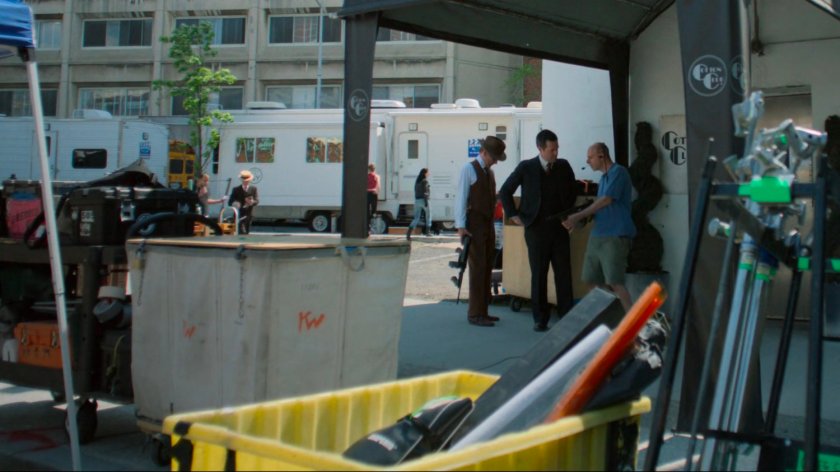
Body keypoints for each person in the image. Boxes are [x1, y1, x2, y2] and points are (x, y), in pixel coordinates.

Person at [500, 129, 578, 332]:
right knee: (539, 274)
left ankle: (567, 316)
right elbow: (505, 190)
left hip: (560, 228)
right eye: (552, 149)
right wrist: (514, 214)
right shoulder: (527, 167)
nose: (555, 153)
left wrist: (568, 215)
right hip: (536, 229)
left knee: (563, 273)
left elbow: (573, 191)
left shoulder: (563, 166)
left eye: (557, 148)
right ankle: (540, 318)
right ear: (540, 148)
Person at [563, 142, 635, 311]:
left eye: (590, 157)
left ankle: (633, 326)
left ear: (602, 156)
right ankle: (610, 315)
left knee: (615, 282)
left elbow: (606, 200)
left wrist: (579, 215)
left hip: (616, 235)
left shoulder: (619, 172)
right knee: (590, 280)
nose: (588, 161)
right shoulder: (603, 179)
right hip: (598, 235)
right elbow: (601, 207)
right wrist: (579, 221)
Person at [455, 136, 507, 327]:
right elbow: (461, 198)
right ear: (483, 152)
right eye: (493, 157)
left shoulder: (489, 172)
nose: (495, 161)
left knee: (486, 267)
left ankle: (483, 310)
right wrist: (461, 226)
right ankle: (475, 312)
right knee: (477, 269)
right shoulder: (469, 169)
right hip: (474, 224)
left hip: (487, 224)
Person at [228, 169, 259, 235]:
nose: (246, 182)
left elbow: (257, 201)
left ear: (250, 180)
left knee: (247, 232)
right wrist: (236, 203)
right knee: (241, 232)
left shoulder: (253, 189)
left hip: (248, 214)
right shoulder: (236, 189)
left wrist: (252, 202)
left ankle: (244, 244)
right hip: (239, 214)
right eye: (244, 181)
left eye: (247, 181)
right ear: (241, 180)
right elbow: (230, 202)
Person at [407, 168, 431, 239]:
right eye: (428, 172)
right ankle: (428, 232)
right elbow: (426, 192)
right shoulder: (425, 181)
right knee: (428, 216)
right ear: (425, 173)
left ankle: (408, 233)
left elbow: (415, 191)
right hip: (424, 200)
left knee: (416, 218)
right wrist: (426, 202)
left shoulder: (417, 181)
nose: (429, 174)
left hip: (417, 200)